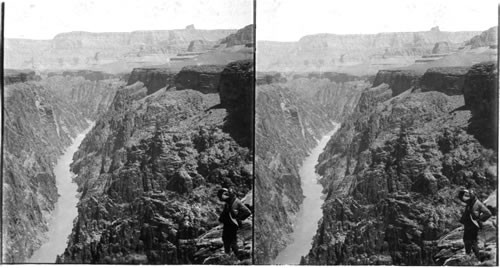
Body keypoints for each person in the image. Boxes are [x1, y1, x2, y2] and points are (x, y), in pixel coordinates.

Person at [457, 188, 492, 259]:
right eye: (468, 194)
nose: (468, 196)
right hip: (468, 224)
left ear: (474, 195)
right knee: (466, 240)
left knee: (473, 241)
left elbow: (488, 213)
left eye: (470, 194)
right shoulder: (470, 201)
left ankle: (477, 257)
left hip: (474, 224)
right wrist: (462, 191)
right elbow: (461, 198)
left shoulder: (478, 203)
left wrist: (480, 218)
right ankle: (468, 255)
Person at [217, 188, 251, 257]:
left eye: (222, 196)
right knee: (225, 239)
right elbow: (226, 212)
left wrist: (238, 218)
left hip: (233, 223)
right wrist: (221, 219)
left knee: (232, 241)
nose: (221, 198)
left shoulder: (236, 201)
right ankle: (228, 255)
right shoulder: (228, 201)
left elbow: (247, 212)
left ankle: (237, 256)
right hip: (227, 224)